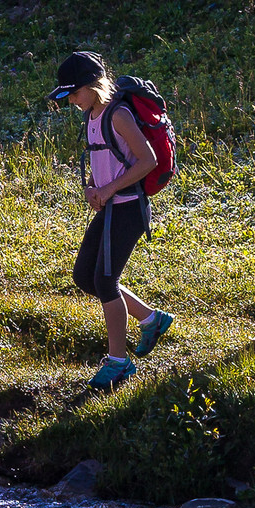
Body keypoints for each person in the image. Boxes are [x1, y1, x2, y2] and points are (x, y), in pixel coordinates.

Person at [50, 49, 174, 392]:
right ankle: (151, 319)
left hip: (129, 207)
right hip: (109, 206)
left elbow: (146, 160)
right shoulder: (91, 115)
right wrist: (93, 187)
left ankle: (119, 363)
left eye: (74, 93)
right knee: (84, 277)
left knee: (105, 280)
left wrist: (107, 189)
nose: (72, 100)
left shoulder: (118, 114)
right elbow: (103, 161)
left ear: (93, 85)